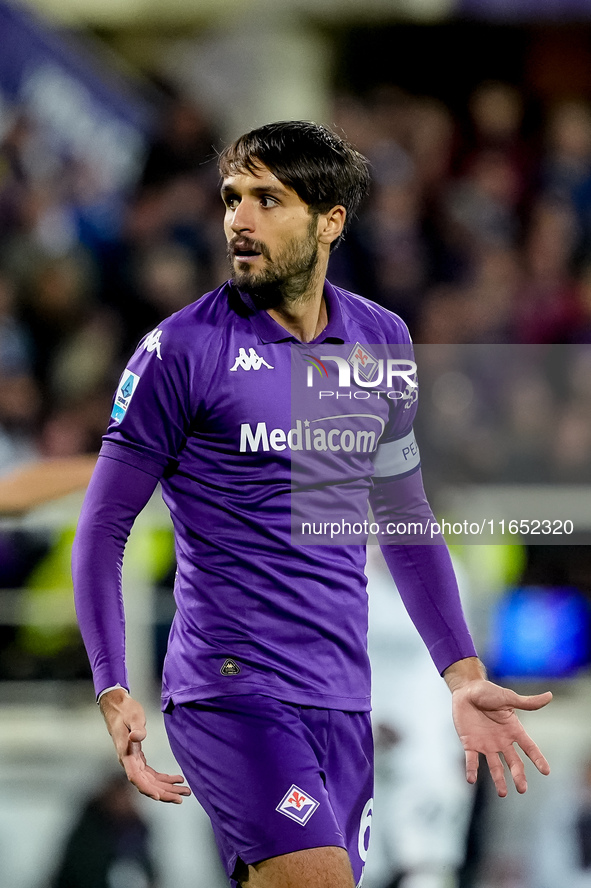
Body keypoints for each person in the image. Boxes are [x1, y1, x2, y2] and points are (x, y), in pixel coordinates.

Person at [72, 121, 552, 888]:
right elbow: (102, 526)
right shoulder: (183, 350)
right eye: (232, 198)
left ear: (330, 220)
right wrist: (112, 681)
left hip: (339, 696)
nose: (239, 219)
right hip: (231, 691)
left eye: (268, 199)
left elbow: (401, 518)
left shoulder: (375, 341)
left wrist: (460, 675)